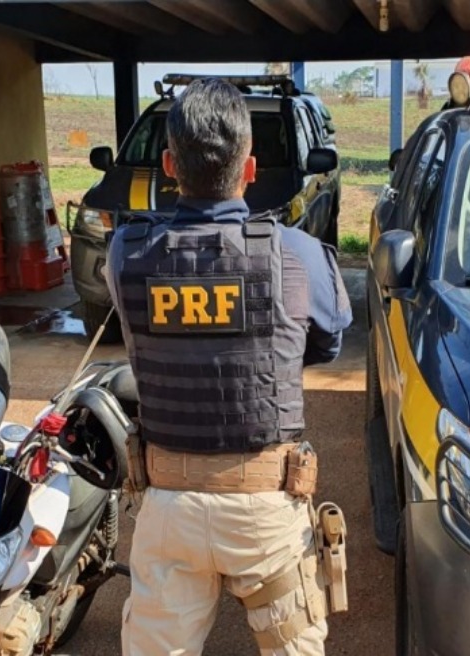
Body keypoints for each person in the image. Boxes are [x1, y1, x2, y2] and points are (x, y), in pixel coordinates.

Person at [106, 78, 352, 656]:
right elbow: (329, 344)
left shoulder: (126, 251)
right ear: (250, 167)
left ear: (169, 165)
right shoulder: (297, 253)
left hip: (167, 510)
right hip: (266, 509)